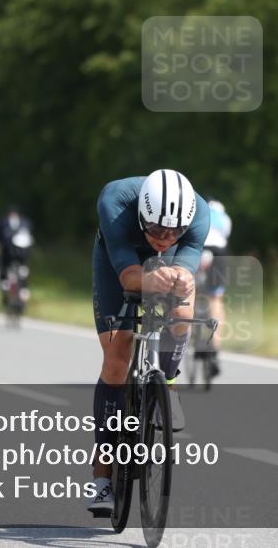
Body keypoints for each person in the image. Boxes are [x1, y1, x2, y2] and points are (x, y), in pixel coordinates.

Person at [88, 169, 209, 516]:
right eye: (156, 229)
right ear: (142, 214)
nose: (163, 237)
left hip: (166, 266)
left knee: (183, 310)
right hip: (119, 259)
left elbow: (185, 271)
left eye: (173, 232)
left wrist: (180, 281)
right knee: (118, 352)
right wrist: (150, 278)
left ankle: (167, 384)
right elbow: (128, 275)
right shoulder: (116, 200)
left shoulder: (199, 214)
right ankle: (102, 479)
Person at [198, 198, 231, 377]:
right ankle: (214, 350)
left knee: (189, 292)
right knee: (215, 298)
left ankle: (188, 335)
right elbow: (224, 237)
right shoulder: (225, 218)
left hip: (199, 247)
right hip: (218, 251)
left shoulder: (197, 211)